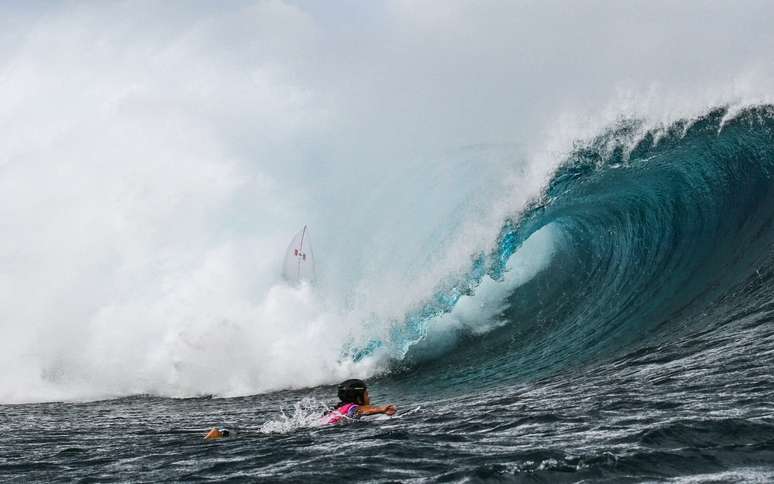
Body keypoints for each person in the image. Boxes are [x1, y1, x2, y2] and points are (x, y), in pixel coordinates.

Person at [325, 379, 396, 424]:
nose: (369, 398)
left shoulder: (336, 409)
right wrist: (381, 409)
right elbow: (361, 410)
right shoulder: (351, 407)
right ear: (359, 398)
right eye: (366, 395)